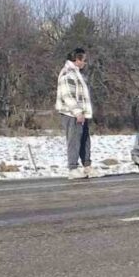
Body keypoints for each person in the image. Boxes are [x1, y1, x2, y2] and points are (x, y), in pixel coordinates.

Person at [56, 48, 98, 180]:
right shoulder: (67, 74)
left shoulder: (78, 74)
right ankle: (73, 168)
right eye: (83, 60)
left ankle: (87, 166)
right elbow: (67, 96)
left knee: (85, 140)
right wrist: (78, 112)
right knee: (74, 141)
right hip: (71, 114)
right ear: (77, 60)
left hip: (83, 114)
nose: (85, 63)